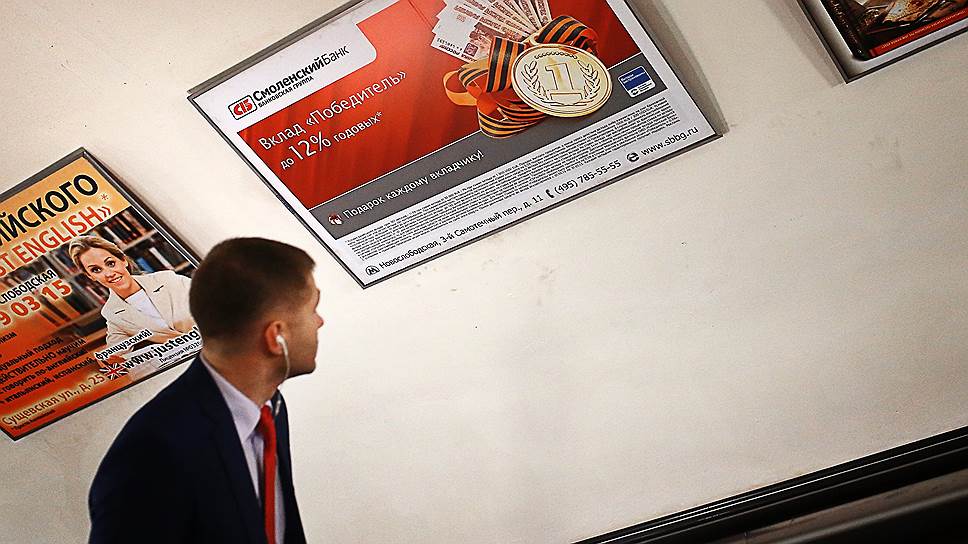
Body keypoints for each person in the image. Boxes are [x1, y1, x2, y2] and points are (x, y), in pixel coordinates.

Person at [88, 237, 324, 544]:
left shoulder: (270, 407)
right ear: (275, 336)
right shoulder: (152, 453)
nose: (319, 322)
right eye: (312, 310)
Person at [68, 235, 194, 348]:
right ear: (90, 276)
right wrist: (110, 358)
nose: (109, 274)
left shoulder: (167, 279)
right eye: (96, 270)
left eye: (111, 263)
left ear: (123, 260)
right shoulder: (111, 312)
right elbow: (116, 349)